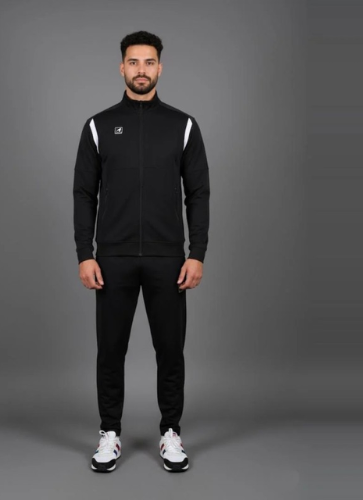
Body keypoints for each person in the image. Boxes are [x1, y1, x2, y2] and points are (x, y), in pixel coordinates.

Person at [73, 30, 210, 473]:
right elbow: (83, 194)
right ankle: (109, 433)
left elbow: (198, 193)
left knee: (170, 350)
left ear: (160, 68)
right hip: (111, 259)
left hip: (168, 258)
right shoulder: (98, 126)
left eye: (149, 62)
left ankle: (171, 432)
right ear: (122, 67)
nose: (141, 70)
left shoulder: (183, 125)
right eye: (133, 62)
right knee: (110, 350)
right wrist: (85, 253)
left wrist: (197, 252)